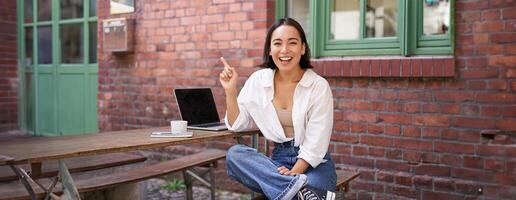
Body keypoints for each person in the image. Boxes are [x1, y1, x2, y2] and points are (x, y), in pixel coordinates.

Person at [219, 18, 336, 200]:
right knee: (235, 155)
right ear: (270, 50)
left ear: (303, 48)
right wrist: (230, 91)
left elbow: (316, 143)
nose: (284, 50)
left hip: (314, 164)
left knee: (304, 188)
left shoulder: (318, 86)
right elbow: (236, 125)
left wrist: (294, 173)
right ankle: (296, 191)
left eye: (292, 43)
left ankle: (289, 190)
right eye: (277, 43)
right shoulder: (258, 80)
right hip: (278, 162)